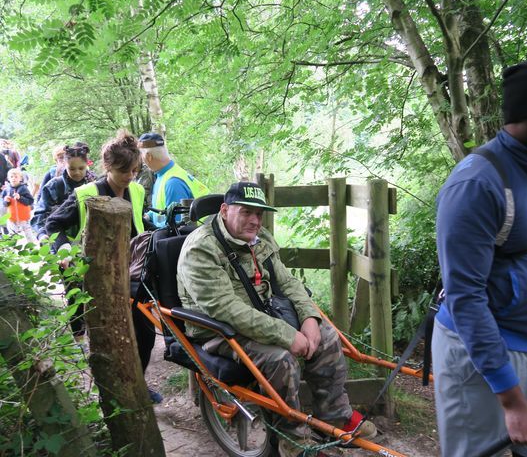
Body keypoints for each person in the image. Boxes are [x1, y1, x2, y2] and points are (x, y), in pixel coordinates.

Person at [433, 59, 527, 457]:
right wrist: (512, 402)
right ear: (526, 114)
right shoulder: (476, 184)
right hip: (475, 354)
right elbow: (465, 296)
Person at [177, 181, 377, 457]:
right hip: (219, 330)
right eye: (246, 212)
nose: (254, 220)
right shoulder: (201, 250)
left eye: (259, 214)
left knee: (326, 336)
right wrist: (286, 335)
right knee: (279, 358)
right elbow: (226, 310)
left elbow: (288, 282)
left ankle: (333, 418)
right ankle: (293, 442)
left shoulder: (262, 239)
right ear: (224, 210)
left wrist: (309, 318)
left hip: (263, 314)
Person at [45, 130, 162, 403]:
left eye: (134, 170)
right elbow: (53, 224)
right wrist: (63, 248)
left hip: (133, 273)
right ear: (107, 167)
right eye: (124, 171)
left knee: (144, 332)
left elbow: (139, 225)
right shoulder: (86, 193)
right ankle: (110, 394)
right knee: (109, 339)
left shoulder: (136, 189)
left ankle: (139, 386)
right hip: (98, 278)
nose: (130, 176)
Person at [137, 132, 209, 226]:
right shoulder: (163, 175)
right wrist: (148, 216)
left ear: (149, 156)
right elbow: (162, 211)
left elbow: (177, 228)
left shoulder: (173, 183)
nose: (141, 160)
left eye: (141, 156)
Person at [31, 142, 96, 242]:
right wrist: (42, 234)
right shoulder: (53, 186)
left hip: (90, 242)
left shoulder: (95, 184)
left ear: (87, 165)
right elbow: (40, 214)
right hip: (59, 241)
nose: (77, 172)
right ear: (65, 166)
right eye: (72, 169)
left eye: (81, 168)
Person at [2, 168, 37, 243]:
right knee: (13, 234)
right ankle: (14, 249)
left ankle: (32, 248)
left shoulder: (24, 188)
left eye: (16, 177)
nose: (13, 179)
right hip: (12, 218)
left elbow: (30, 201)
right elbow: (4, 204)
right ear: (8, 178)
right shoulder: (6, 190)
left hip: (23, 217)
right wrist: (6, 201)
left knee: (28, 233)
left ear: (20, 178)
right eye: (11, 177)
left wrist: (20, 198)